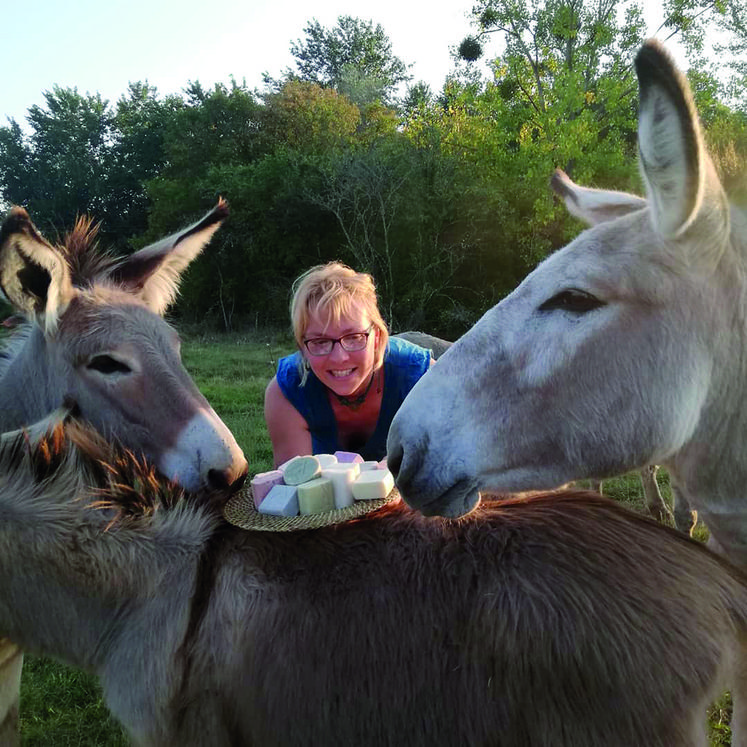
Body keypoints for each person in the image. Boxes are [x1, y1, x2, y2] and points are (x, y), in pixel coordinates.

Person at [264, 262, 433, 467]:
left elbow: (446, 465)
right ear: (303, 347)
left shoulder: (422, 378)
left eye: (354, 337)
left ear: (377, 337)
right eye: (320, 342)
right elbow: (296, 486)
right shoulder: (285, 393)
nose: (339, 357)